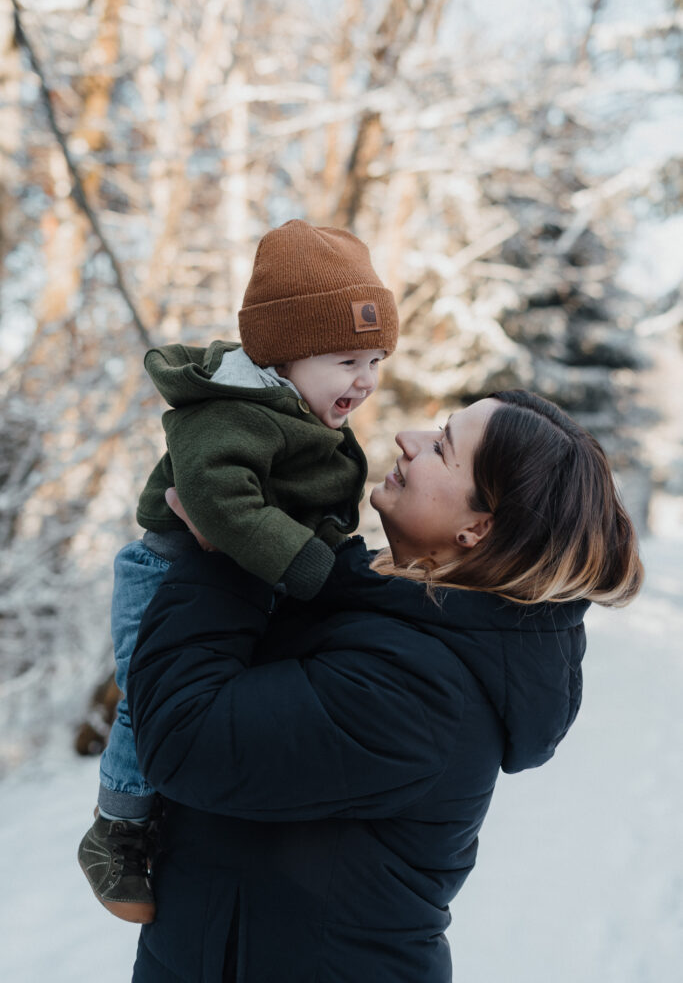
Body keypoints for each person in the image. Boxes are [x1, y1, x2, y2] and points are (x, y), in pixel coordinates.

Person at [126, 389, 643, 982]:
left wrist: (226, 554)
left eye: (442, 447)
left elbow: (185, 737)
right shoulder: (378, 609)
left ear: (478, 526)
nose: (408, 439)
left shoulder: (421, 690)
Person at [77, 220, 399, 923]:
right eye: (347, 361)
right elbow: (218, 501)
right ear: (285, 355)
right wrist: (314, 565)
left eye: (374, 360)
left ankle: (172, 814)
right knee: (147, 694)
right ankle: (116, 828)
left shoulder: (307, 418)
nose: (366, 381)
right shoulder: (229, 411)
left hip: (238, 581)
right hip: (165, 572)